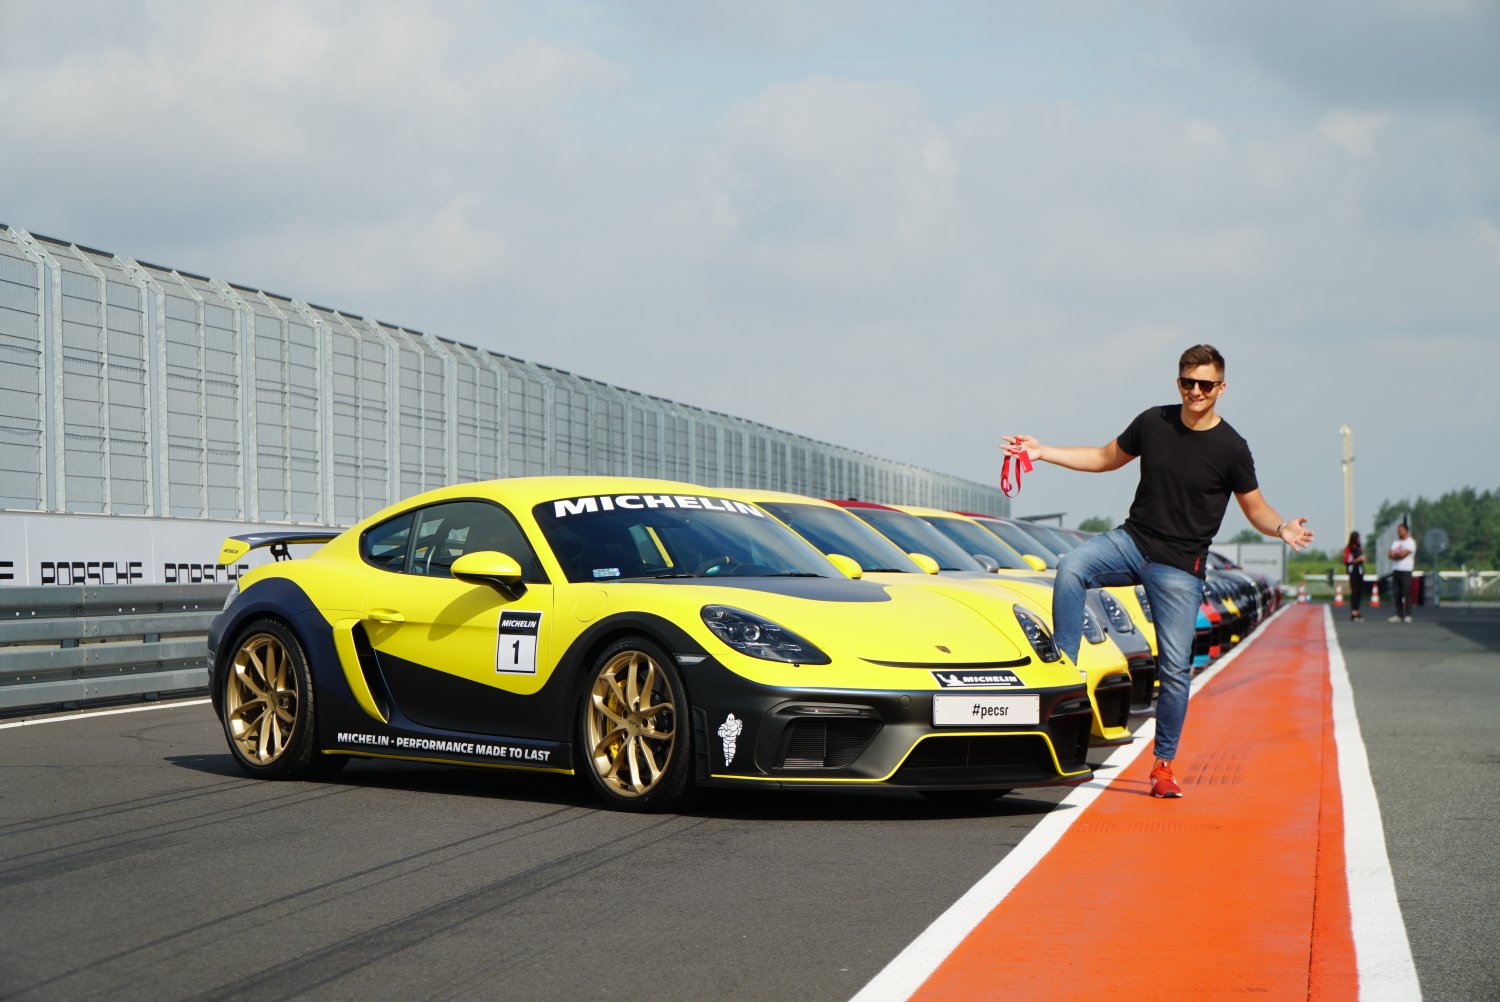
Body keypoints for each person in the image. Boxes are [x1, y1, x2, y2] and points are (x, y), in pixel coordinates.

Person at [1002, 344, 1313, 800]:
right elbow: (1105, 457)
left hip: (1179, 567)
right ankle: (1065, 674)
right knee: (1072, 566)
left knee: (1174, 670)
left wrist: (1282, 527)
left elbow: (1256, 508)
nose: (1196, 392)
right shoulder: (1153, 422)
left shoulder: (1232, 448)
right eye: (1188, 383)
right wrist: (1043, 451)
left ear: (1221, 389)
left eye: (1205, 385)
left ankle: (1163, 765)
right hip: (1132, 541)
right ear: (1178, 383)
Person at [1387, 523, 1416, 623]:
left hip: (1406, 570)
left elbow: (1403, 555)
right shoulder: (1396, 542)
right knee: (1397, 593)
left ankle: (1408, 614)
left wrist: (1396, 554)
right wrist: (1396, 554)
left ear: (1406, 530)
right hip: (1396, 569)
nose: (1399, 532)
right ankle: (1398, 614)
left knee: (1406, 592)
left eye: (1401, 530)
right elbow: (1389, 554)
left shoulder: (1410, 542)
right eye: (1398, 531)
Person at [1344, 530, 1366, 621]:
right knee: (1355, 592)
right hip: (1353, 572)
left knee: (1359, 592)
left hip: (1360, 571)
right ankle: (1353, 612)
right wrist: (1358, 559)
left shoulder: (1359, 547)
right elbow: (1347, 561)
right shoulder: (1348, 548)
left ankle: (1357, 611)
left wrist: (1362, 555)